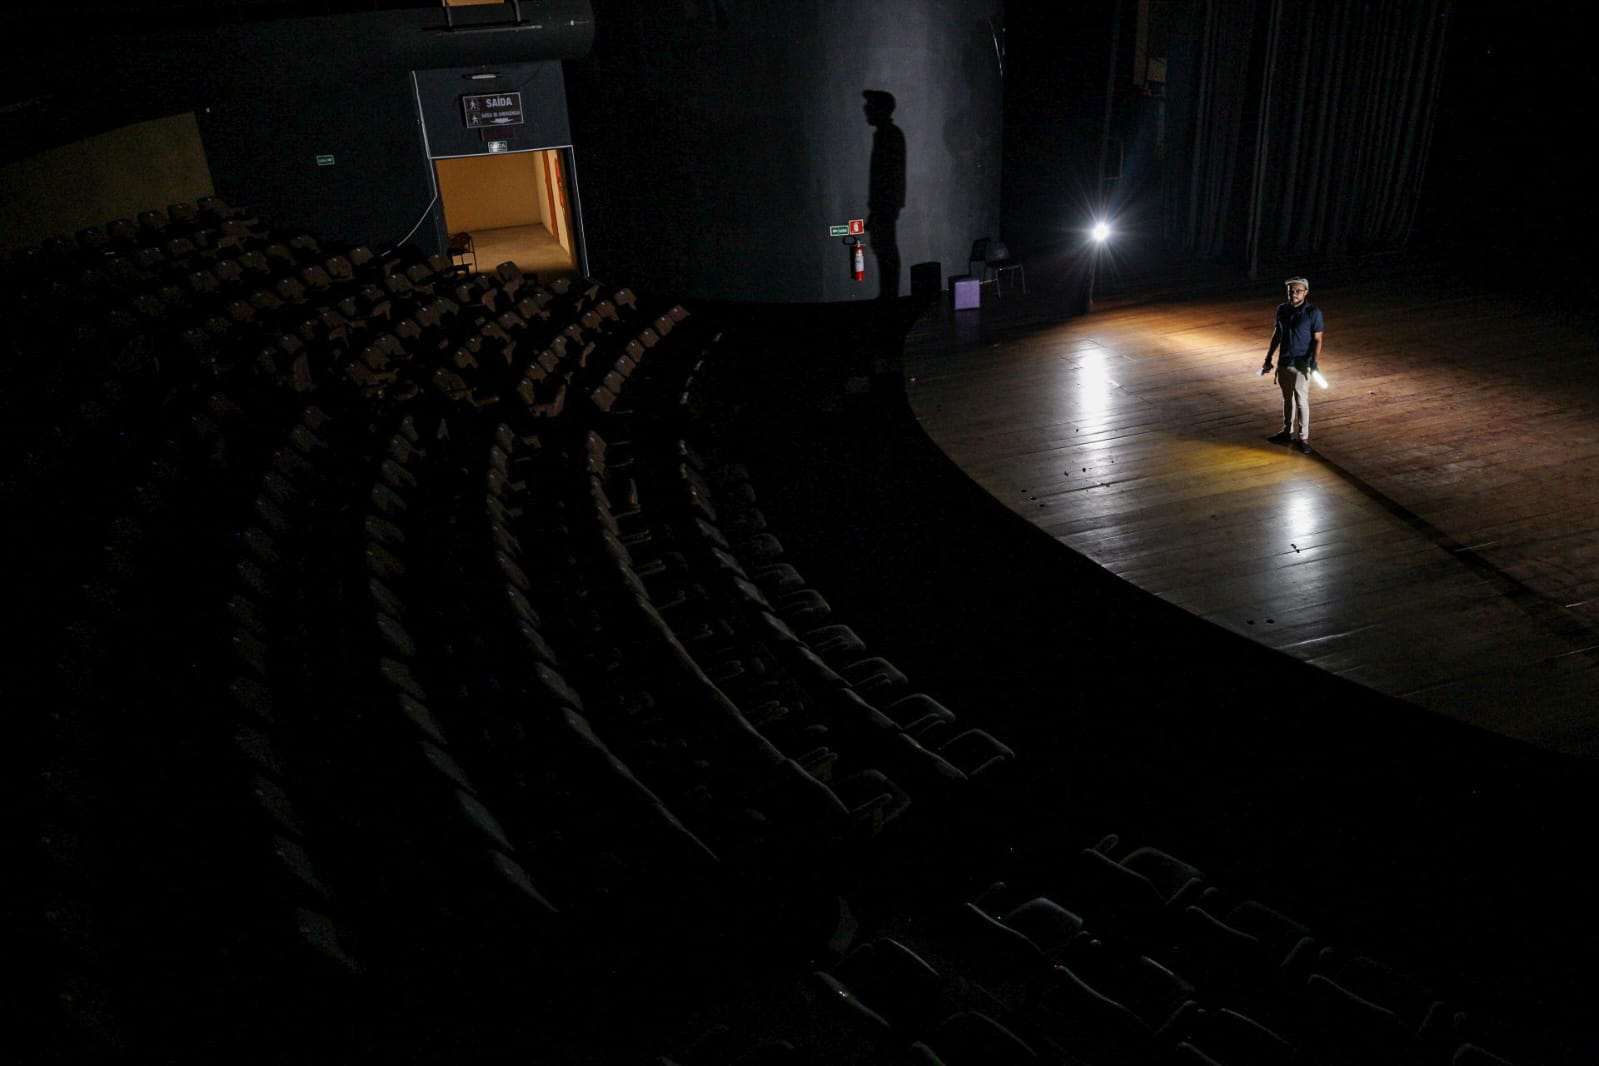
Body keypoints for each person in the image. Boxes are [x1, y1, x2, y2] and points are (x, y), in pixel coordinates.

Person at [1261, 276, 1323, 453]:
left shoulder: (1313, 313)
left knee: (1301, 399)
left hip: (1302, 363)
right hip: (1284, 361)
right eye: (1291, 291)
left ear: (1306, 292)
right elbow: (1277, 334)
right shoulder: (1282, 309)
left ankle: (1303, 437)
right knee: (1287, 398)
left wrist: (1314, 362)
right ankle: (1287, 431)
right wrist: (1269, 358)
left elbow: (1318, 339)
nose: (1294, 294)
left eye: (1297, 291)